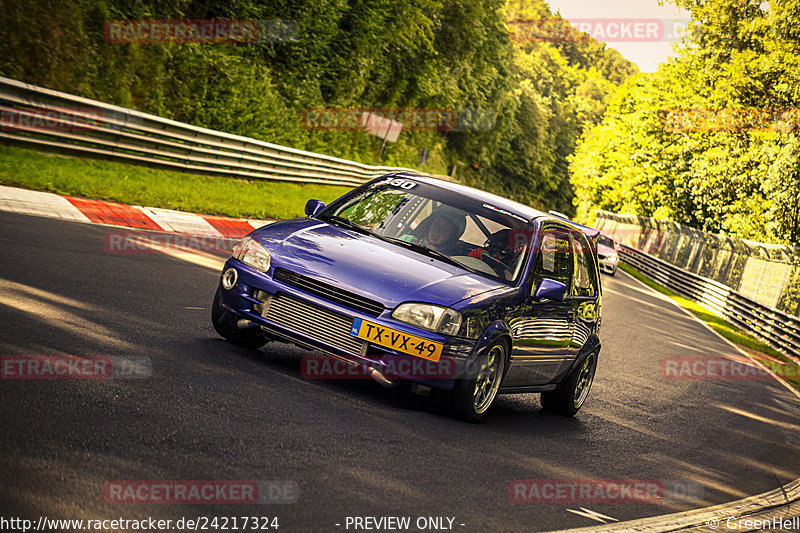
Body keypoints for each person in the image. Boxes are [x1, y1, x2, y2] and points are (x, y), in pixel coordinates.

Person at [400, 206, 468, 256]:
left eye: (445, 228)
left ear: (451, 238)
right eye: (436, 223)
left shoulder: (452, 261)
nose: (437, 229)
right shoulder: (407, 240)